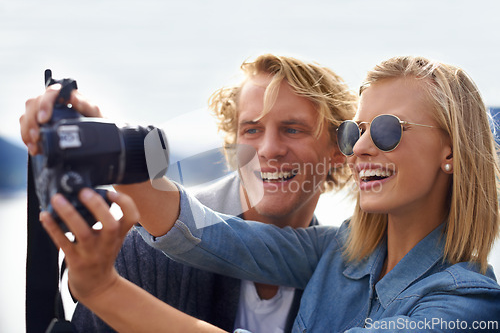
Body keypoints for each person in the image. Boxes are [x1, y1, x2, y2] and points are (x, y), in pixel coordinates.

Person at [27, 55, 500, 332]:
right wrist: (98, 140)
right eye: (355, 130)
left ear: (453, 152)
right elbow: (207, 235)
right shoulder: (340, 253)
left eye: (386, 129)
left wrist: (105, 291)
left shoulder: (468, 305)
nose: (361, 146)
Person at [21, 54, 357, 332]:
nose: (269, 149)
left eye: (292, 129)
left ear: (338, 150)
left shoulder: (340, 268)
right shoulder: (143, 247)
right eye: (251, 129)